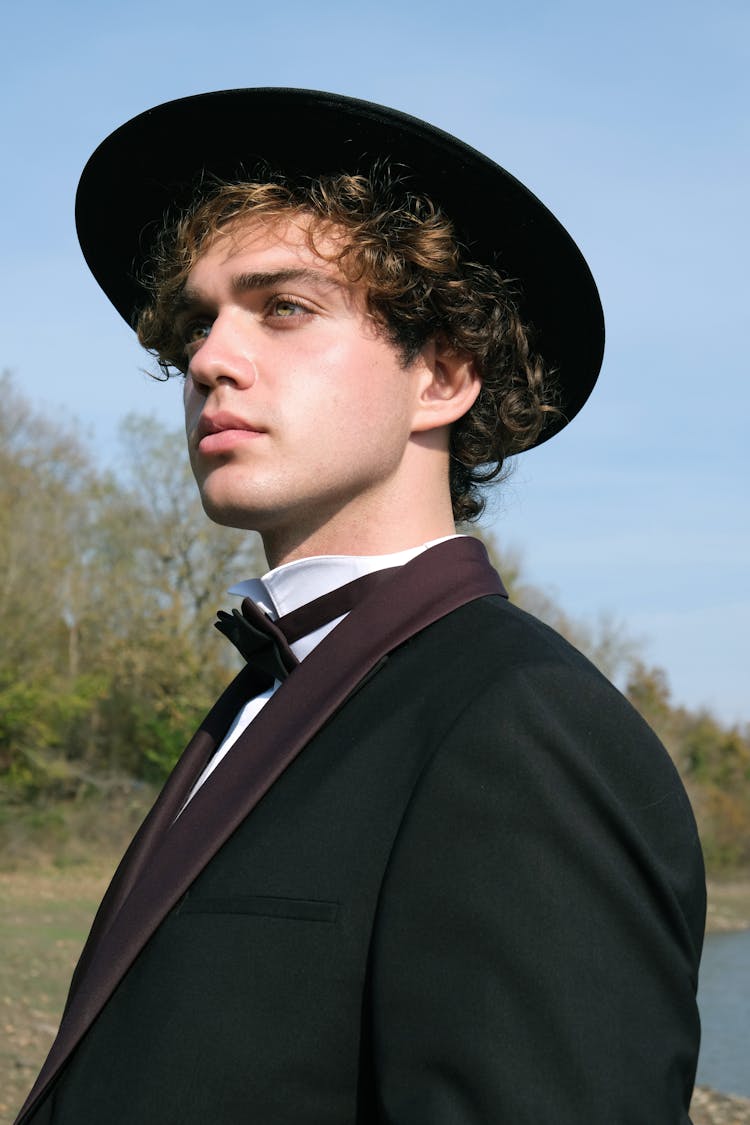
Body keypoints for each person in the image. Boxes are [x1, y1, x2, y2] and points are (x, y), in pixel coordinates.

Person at [16, 89, 705, 1125]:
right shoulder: (267, 694)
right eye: (199, 320)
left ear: (443, 374)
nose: (208, 358)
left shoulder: (521, 729)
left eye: (283, 306)